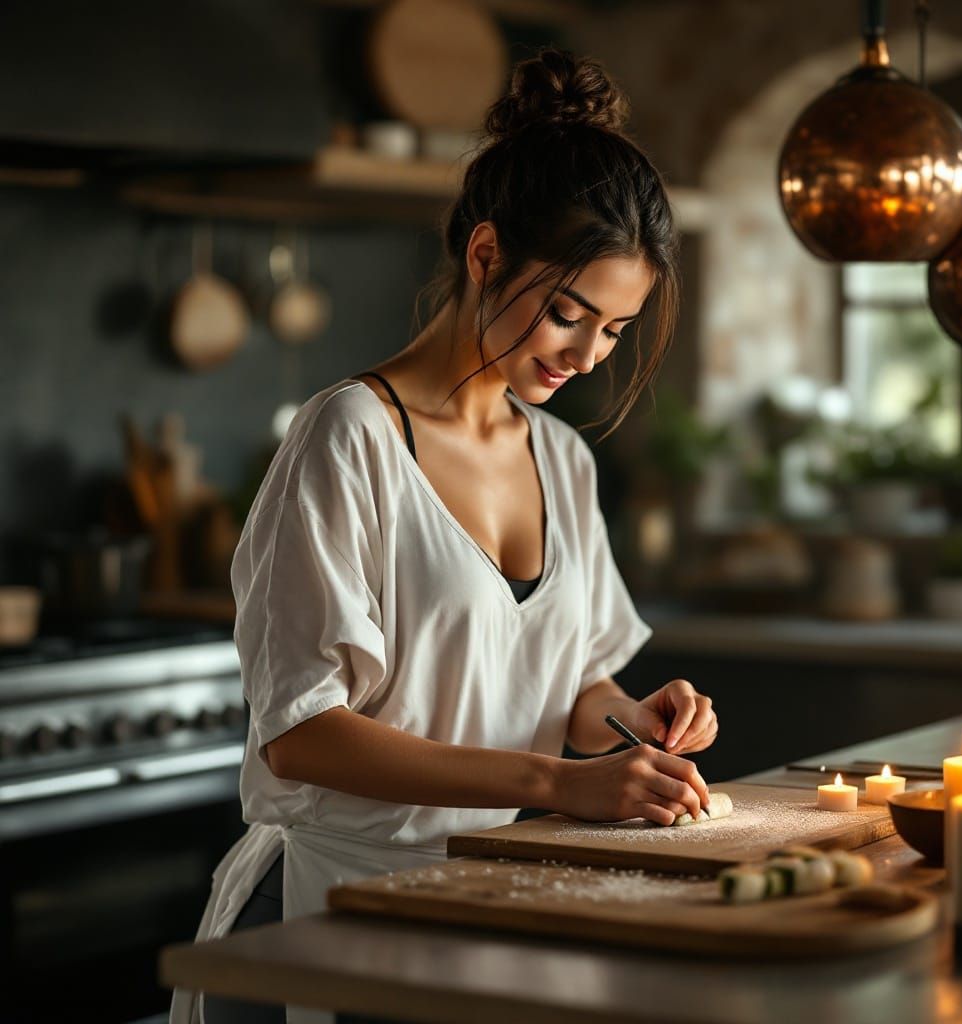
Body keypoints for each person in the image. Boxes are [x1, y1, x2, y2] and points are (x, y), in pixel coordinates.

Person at [171, 47, 718, 1024]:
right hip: (326, 921)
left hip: (478, 909)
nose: (587, 356)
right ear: (484, 254)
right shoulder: (350, 436)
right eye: (566, 313)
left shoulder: (561, 460)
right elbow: (302, 736)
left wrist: (634, 718)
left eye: (614, 330)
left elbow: (563, 690)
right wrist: (562, 784)